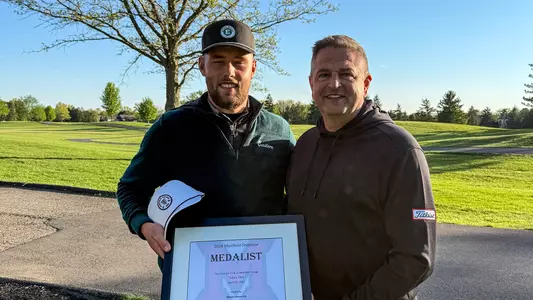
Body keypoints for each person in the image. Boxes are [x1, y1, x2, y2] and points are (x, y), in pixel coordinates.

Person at [116, 19, 296, 270]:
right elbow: (130, 188)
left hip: (262, 271)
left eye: (239, 62)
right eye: (219, 60)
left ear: (253, 68)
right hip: (191, 273)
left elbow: (300, 197)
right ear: (202, 65)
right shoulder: (171, 126)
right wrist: (144, 224)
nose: (229, 71)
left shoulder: (279, 130)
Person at [286, 35, 436, 300]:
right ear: (311, 83)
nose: (334, 84)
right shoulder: (306, 145)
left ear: (366, 83)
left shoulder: (399, 150)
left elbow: (416, 257)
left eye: (346, 74)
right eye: (323, 75)